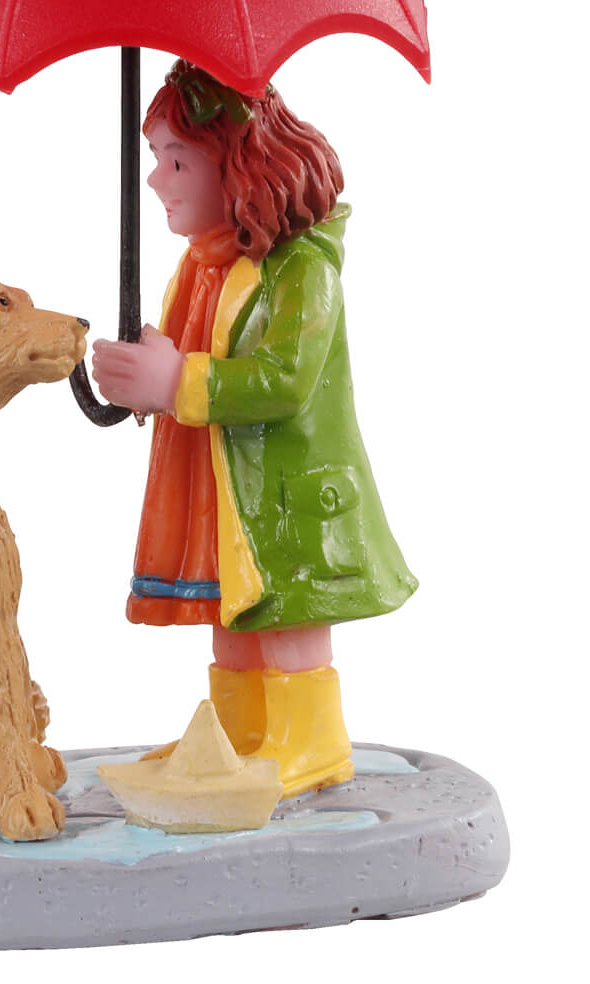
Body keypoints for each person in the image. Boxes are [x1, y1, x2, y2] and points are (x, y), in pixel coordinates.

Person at [91, 60, 417, 796]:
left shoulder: (301, 270)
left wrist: (175, 381)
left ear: (239, 167)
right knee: (235, 610)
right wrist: (145, 380)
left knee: (283, 610)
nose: (157, 179)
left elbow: (284, 380)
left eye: (177, 160)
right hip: (230, 491)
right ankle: (239, 733)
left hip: (288, 493)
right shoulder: (202, 268)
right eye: (154, 157)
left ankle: (311, 740)